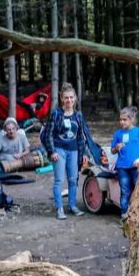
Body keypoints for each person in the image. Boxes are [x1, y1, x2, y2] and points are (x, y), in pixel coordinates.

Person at [42, 83, 91, 220]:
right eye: (66, 98)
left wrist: (85, 153)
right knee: (58, 180)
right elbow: (48, 134)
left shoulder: (78, 115)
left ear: (75, 98)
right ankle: (59, 208)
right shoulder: (56, 114)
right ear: (61, 99)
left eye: (71, 97)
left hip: (74, 150)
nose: (69, 100)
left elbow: (82, 136)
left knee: (73, 180)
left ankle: (73, 206)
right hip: (59, 150)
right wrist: (52, 151)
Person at [111, 106, 139, 220]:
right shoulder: (118, 133)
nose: (121, 122)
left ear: (131, 119)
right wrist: (117, 147)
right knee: (125, 190)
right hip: (122, 167)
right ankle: (124, 213)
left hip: (136, 167)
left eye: (124, 119)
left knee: (138, 189)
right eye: (120, 119)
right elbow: (112, 150)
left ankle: (138, 213)